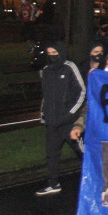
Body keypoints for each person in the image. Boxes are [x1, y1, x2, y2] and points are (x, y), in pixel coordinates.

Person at [36, 41, 86, 196]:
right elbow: (46, 94)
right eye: (49, 54)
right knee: (51, 153)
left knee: (82, 152)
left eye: (54, 53)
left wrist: (70, 114)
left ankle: (95, 180)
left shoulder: (70, 67)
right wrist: (44, 113)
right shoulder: (45, 70)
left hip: (69, 122)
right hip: (52, 121)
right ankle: (53, 183)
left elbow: (81, 91)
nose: (52, 56)